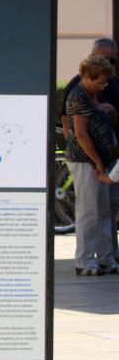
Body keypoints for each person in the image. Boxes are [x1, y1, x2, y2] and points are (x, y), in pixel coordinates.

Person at [66, 54, 119, 275]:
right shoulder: (78, 96)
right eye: (100, 82)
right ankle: (84, 260)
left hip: (102, 162)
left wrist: (110, 110)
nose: (103, 86)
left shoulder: (93, 95)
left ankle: (106, 257)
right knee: (89, 211)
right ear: (87, 76)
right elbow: (80, 134)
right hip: (85, 162)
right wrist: (97, 161)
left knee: (105, 210)